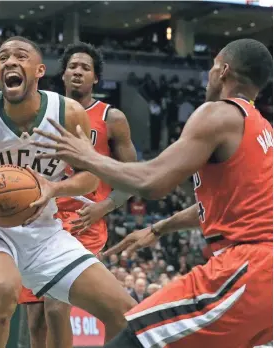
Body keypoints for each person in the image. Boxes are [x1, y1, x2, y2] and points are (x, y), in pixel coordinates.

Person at [32, 38, 273, 347]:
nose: (208, 76)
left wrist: (87, 156)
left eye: (211, 67)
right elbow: (219, 208)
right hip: (263, 279)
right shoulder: (263, 129)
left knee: (134, 338)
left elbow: (153, 182)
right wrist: (160, 227)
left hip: (248, 269)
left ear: (223, 70)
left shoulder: (219, 113)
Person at [0, 36, 137, 348]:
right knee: (4, 291)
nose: (10, 62)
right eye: (3, 57)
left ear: (40, 70)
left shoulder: (68, 114)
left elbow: (91, 178)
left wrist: (55, 187)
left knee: (125, 313)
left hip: (43, 229)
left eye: (20, 56)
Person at [18, 42, 137, 348]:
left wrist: (104, 208)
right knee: (36, 321)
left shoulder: (112, 118)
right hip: (41, 218)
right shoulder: (42, 110)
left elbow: (132, 177)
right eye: (73, 66)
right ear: (63, 73)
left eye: (85, 68)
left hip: (84, 220)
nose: (78, 72)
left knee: (57, 305)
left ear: (96, 78)